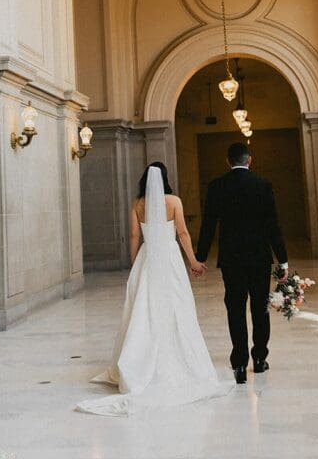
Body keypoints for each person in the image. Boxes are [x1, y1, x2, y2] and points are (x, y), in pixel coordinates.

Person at [76, 162, 233, 415]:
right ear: (166, 178)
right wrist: (194, 262)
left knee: (143, 310)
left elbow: (135, 236)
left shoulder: (138, 204)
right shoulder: (174, 201)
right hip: (169, 259)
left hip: (148, 259)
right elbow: (182, 233)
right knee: (176, 306)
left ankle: (139, 359)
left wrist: (132, 261)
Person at [196, 142, 288, 384]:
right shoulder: (263, 185)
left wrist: (200, 257)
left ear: (228, 161)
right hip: (259, 257)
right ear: (250, 160)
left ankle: (239, 362)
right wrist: (283, 261)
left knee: (235, 308)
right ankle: (259, 358)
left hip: (231, 258)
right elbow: (273, 226)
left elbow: (208, 225)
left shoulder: (217, 187)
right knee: (260, 308)